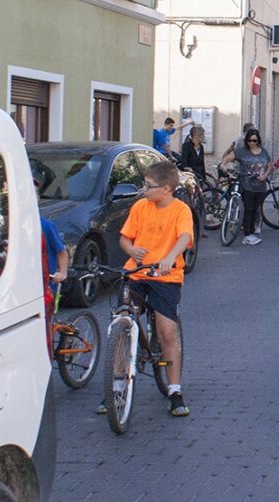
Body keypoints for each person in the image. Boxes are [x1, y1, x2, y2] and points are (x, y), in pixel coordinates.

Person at [117, 160, 194, 416]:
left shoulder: (180, 210)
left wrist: (170, 257)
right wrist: (131, 250)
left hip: (165, 276)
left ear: (167, 189)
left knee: (167, 333)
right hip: (137, 272)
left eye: (149, 186)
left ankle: (174, 390)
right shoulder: (141, 207)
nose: (144, 190)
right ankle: (116, 386)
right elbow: (125, 237)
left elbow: (184, 237)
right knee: (122, 320)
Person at [220, 128, 273, 245]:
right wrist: (223, 164)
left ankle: (251, 232)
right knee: (248, 209)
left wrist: (264, 176)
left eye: (254, 141)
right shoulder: (241, 151)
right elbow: (228, 157)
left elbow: (270, 165)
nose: (252, 143)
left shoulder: (263, 152)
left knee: (255, 209)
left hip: (260, 186)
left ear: (258, 140)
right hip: (247, 185)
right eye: (249, 141)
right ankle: (247, 234)